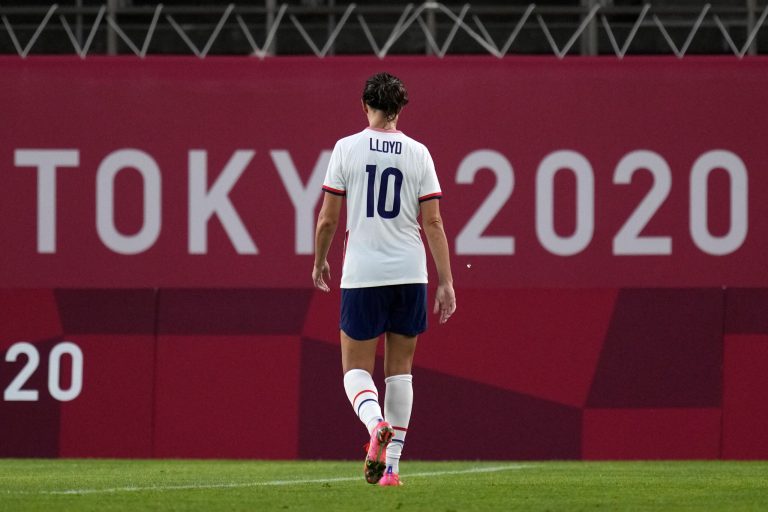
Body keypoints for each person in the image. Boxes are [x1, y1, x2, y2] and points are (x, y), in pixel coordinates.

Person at [312, 72, 456, 487]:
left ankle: (375, 425)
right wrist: (445, 280)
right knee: (401, 372)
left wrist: (320, 260)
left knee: (355, 370)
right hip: (410, 273)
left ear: (364, 105)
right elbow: (433, 222)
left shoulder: (346, 149)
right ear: (400, 108)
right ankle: (391, 468)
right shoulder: (418, 153)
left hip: (363, 273)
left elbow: (328, 219)